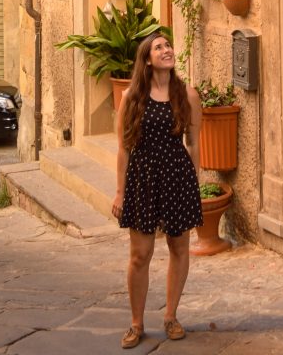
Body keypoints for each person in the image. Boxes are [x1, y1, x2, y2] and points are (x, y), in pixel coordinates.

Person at [112, 31, 203, 349]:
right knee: (140, 255)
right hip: (143, 178)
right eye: (159, 47)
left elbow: (193, 143)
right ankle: (136, 323)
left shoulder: (186, 94)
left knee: (179, 249)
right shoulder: (131, 97)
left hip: (177, 178)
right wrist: (120, 192)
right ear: (147, 59)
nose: (167, 50)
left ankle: (171, 316)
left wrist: (196, 185)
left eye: (168, 45)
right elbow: (123, 148)